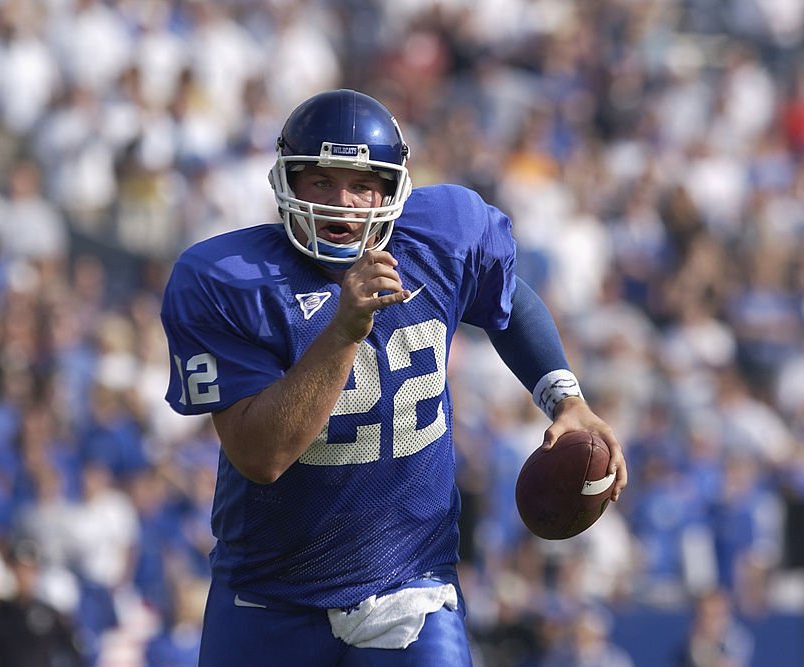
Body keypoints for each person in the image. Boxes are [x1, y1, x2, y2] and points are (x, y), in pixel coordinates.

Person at [160, 88, 628, 666]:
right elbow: (262, 454)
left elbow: (506, 297)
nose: (343, 203)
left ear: (391, 189)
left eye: (362, 184)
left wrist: (565, 396)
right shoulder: (229, 279)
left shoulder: (442, 235)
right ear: (289, 183)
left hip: (409, 585)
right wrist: (343, 330)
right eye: (322, 182)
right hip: (267, 596)